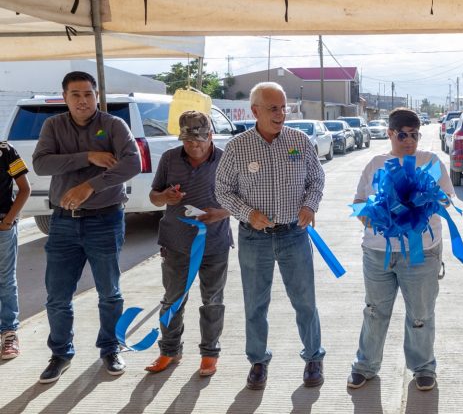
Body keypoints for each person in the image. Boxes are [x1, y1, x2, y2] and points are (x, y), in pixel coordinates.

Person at [32, 71, 141, 383]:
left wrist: (90, 186)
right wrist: (88, 156)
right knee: (57, 294)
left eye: (88, 94)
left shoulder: (113, 126)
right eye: (75, 94)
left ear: (96, 95)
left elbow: (132, 164)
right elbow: (41, 164)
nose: (82, 100)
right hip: (63, 222)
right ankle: (61, 353)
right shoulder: (53, 126)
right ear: (65, 97)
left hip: (105, 219)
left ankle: (110, 348)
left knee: (109, 292)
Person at [215, 82, 325, 390]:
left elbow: (317, 178)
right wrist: (248, 213)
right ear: (255, 111)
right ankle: (258, 361)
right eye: (273, 108)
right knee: (255, 304)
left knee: (305, 301)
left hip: (294, 234)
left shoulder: (299, 141)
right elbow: (222, 191)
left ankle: (314, 357)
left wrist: (309, 204)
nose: (280, 114)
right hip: (254, 237)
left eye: (283, 107)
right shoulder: (238, 147)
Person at [347, 108, 454, 392]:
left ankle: (423, 368)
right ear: (390, 133)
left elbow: (447, 200)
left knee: (420, 313)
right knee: (374, 311)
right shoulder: (375, 163)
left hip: (422, 252)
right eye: (403, 135)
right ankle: (365, 365)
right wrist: (372, 214)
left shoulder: (430, 162)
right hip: (377, 252)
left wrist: (425, 200)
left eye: (415, 134)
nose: (410, 140)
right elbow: (358, 201)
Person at [145, 111, 232, 377]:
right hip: (176, 242)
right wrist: (165, 197)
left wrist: (222, 212)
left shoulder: (226, 159)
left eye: (199, 141)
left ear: (211, 136)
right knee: (172, 299)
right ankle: (169, 351)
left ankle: (209, 354)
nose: (193, 146)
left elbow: (244, 198)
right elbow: (153, 196)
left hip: (214, 242)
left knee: (212, 300)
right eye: (188, 141)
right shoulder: (171, 158)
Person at [0, 141, 30, 360]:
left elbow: (24, 188)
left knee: (5, 280)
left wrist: (8, 221)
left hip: (3, 227)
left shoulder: (5, 150)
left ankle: (9, 332)